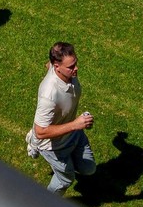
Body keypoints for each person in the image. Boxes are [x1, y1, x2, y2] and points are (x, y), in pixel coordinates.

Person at [25, 42, 95, 194]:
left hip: (72, 133)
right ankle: (47, 206)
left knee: (88, 169)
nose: (76, 69)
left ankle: (67, 162)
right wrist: (76, 125)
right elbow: (41, 131)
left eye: (75, 63)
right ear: (57, 66)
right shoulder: (48, 95)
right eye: (70, 67)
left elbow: (48, 65)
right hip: (53, 145)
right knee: (66, 179)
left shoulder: (60, 70)